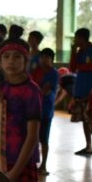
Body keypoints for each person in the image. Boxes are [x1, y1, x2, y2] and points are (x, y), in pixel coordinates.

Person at [0, 39, 42, 182]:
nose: (11, 61)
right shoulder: (1, 88)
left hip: (22, 163)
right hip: (1, 159)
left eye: (16, 57)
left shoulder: (31, 91)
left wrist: (15, 172)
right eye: (6, 57)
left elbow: (32, 136)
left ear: (26, 60)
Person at [68, 27, 92, 156]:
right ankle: (88, 146)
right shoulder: (79, 52)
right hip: (80, 90)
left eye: (77, 38)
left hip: (91, 90)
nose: (75, 41)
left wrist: (79, 66)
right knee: (84, 120)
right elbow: (72, 68)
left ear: (82, 38)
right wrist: (73, 52)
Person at [31, 47, 58, 175]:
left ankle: (44, 165)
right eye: (42, 57)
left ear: (52, 60)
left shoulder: (54, 73)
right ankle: (33, 163)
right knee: (33, 137)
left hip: (46, 110)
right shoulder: (35, 71)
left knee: (44, 139)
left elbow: (45, 89)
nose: (44, 60)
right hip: (34, 109)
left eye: (47, 58)